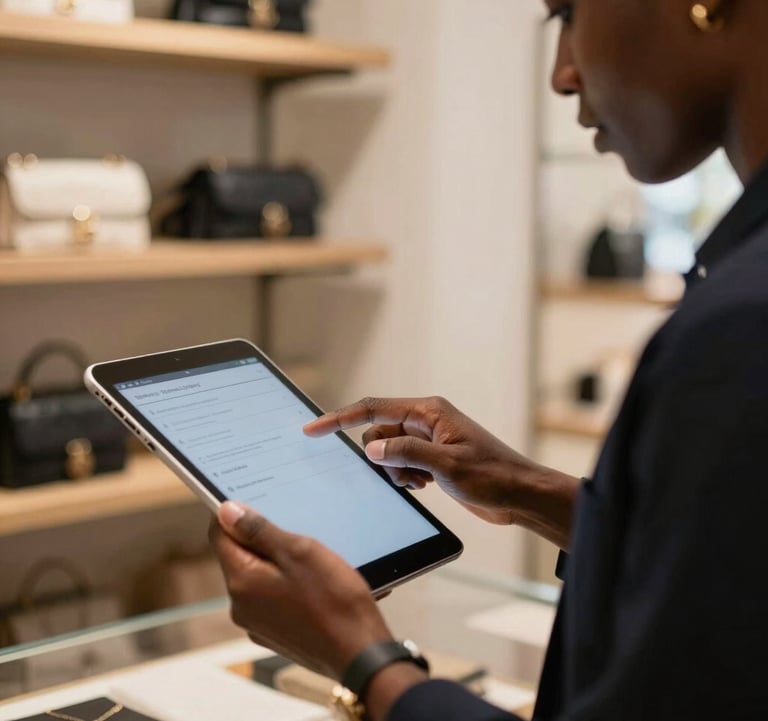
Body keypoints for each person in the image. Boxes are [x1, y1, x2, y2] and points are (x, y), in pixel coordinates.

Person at [209, 0, 768, 718]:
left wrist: (364, 655)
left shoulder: (742, 327)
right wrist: (526, 488)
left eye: (569, 13)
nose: (563, 74)